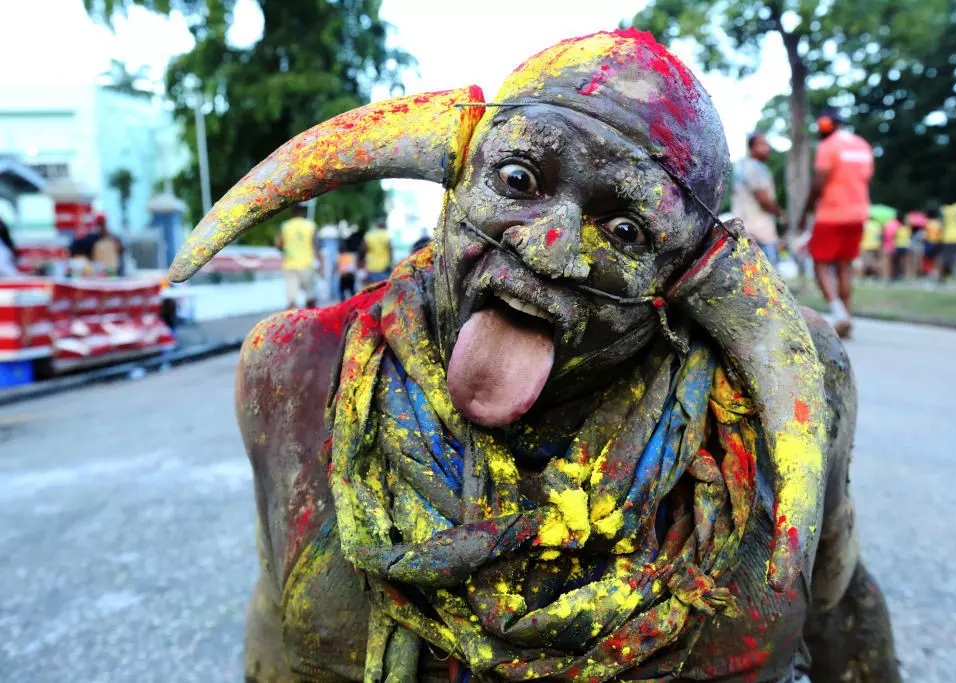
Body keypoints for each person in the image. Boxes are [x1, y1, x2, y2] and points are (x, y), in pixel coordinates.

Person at [168, 29, 899, 683]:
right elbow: (279, 626)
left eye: (625, 229)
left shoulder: (787, 390)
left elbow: (836, 605)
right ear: (459, 178)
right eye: (518, 180)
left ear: (682, 280)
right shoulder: (298, 367)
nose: (550, 245)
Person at [798, 108, 875, 338]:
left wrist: (806, 210)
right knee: (845, 265)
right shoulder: (862, 145)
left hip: (831, 214)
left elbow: (820, 181)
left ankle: (839, 313)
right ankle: (846, 316)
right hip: (858, 214)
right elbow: (866, 177)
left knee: (820, 263)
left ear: (825, 124)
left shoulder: (827, 146)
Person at [732, 131, 785, 266]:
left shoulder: (742, 166)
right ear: (752, 147)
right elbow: (763, 200)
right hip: (760, 230)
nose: (767, 148)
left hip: (745, 228)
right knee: (769, 272)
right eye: (762, 144)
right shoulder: (755, 168)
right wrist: (780, 213)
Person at [276, 204, 318, 308]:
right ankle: (312, 321)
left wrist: (285, 250)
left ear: (292, 211)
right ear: (304, 211)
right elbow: (316, 245)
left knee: (292, 300)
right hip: (306, 265)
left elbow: (278, 244)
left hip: (290, 265)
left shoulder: (286, 226)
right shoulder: (310, 225)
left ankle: (291, 321)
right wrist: (319, 262)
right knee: (310, 297)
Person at [359, 220, 392, 284]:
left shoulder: (369, 235)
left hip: (372, 267)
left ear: (376, 226)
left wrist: (361, 262)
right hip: (385, 267)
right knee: (384, 289)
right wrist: (390, 262)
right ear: (385, 227)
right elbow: (390, 250)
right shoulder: (386, 235)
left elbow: (362, 249)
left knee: (373, 289)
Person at [336, 221, 361, 301]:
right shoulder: (350, 256)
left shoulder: (340, 257)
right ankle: (353, 303)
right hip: (350, 275)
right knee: (351, 291)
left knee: (342, 291)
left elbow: (337, 266)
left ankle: (343, 304)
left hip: (344, 276)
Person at [892, 215, 912, 280]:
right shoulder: (907, 228)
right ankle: (905, 275)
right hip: (904, 245)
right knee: (904, 262)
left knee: (899, 262)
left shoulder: (899, 228)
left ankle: (900, 274)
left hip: (899, 245)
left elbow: (894, 236)